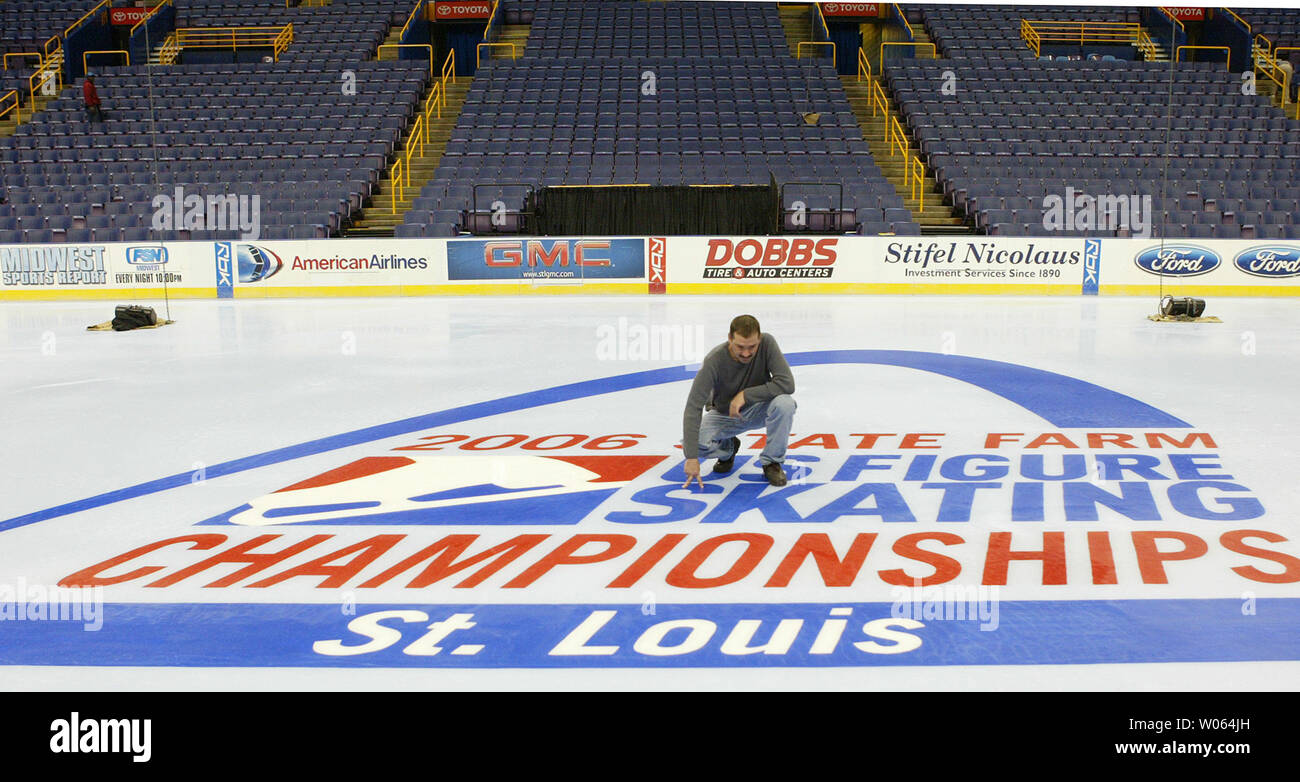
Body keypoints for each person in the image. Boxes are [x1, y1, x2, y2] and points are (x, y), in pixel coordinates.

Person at [681, 314, 796, 489]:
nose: (746, 353)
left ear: (759, 339)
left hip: (759, 409)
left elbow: (787, 383)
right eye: (740, 346)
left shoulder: (767, 343)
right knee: (693, 445)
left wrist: (746, 395)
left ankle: (771, 462)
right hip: (724, 415)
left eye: (752, 347)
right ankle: (728, 448)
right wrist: (691, 457)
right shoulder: (714, 360)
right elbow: (693, 407)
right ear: (730, 339)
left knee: (785, 403)